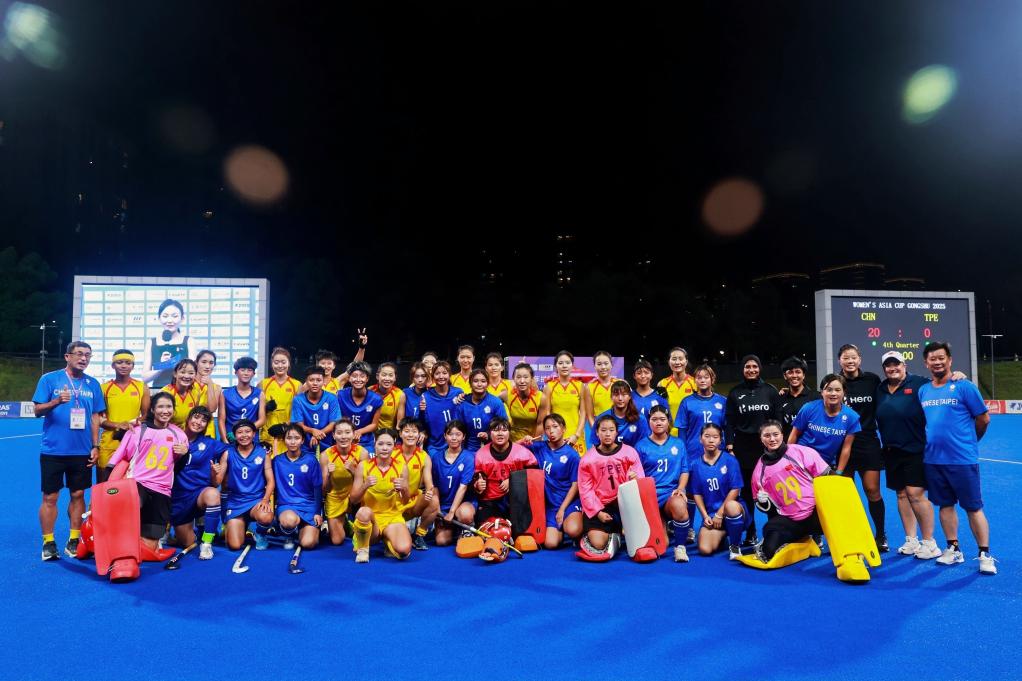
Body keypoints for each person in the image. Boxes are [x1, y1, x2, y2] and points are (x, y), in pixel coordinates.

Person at [917, 342, 996, 574]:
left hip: (962, 459)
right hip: (933, 460)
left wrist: (971, 442)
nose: (937, 362)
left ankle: (984, 554)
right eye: (933, 359)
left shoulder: (964, 386)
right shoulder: (923, 391)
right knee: (945, 505)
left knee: (973, 507)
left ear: (950, 360)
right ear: (926, 363)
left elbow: (983, 419)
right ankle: (953, 548)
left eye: (941, 358)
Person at [34, 341, 107, 561]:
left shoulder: (93, 384)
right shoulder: (49, 379)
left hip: (82, 451)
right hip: (53, 450)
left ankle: (74, 539)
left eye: (88, 355)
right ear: (67, 356)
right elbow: (37, 410)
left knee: (78, 495)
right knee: (50, 497)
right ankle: (48, 542)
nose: (84, 358)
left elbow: (95, 417)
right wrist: (56, 401)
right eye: (79, 354)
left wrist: (95, 446)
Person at [875, 350, 941, 559]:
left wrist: (957, 377)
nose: (892, 368)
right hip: (891, 451)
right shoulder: (880, 389)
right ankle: (911, 540)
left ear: (904, 365)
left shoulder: (920, 383)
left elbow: (941, 385)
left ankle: (930, 543)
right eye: (888, 365)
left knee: (915, 494)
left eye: (896, 364)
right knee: (901, 494)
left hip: (915, 449)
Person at [105, 391, 189, 555]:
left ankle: (141, 544)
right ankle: (118, 546)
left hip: (162, 490)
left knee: (148, 548)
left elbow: (178, 467)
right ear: (152, 410)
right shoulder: (137, 431)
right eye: (161, 407)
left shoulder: (179, 435)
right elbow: (116, 460)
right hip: (137, 484)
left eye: (169, 407)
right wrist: (106, 490)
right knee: (131, 508)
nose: (165, 411)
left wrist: (185, 454)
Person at [750, 420, 830, 562]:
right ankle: (803, 542)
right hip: (790, 520)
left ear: (782, 435)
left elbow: (828, 477)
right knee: (768, 548)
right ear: (761, 439)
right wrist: (763, 502)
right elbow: (762, 506)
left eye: (775, 434)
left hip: (816, 514)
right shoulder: (759, 471)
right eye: (767, 436)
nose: (772, 439)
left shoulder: (801, 452)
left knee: (842, 521)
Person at [837, 343, 888, 552]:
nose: (850, 361)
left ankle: (880, 535)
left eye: (853, 357)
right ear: (839, 360)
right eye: (846, 357)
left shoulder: (872, 380)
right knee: (846, 494)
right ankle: (849, 536)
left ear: (860, 359)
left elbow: (895, 385)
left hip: (868, 442)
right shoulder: (835, 382)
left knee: (872, 490)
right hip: (842, 445)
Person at [724, 354, 776, 544]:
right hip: (743, 449)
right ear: (742, 369)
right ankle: (751, 531)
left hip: (766, 449)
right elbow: (729, 422)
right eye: (747, 367)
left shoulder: (770, 391)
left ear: (760, 368)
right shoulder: (735, 392)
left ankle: (773, 531)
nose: (751, 370)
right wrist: (730, 445)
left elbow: (777, 420)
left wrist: (776, 446)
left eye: (755, 366)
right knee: (746, 493)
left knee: (770, 491)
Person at [577, 416, 645, 558]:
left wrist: (635, 479)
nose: (607, 434)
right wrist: (598, 513)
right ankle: (614, 536)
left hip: (625, 504)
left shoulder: (629, 452)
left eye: (611, 430)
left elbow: (641, 479)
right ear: (597, 432)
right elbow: (585, 491)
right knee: (598, 543)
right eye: (603, 430)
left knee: (641, 543)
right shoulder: (588, 459)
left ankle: (618, 531)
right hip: (601, 506)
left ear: (616, 432)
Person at [170, 406, 227, 559]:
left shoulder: (209, 443)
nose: (199, 422)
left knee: (213, 494)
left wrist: (219, 472)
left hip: (199, 494)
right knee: (188, 542)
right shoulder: (173, 438)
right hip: (179, 497)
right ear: (188, 418)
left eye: (204, 420)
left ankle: (207, 543)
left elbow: (229, 451)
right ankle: (184, 532)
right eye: (196, 417)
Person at [635, 406, 691, 561]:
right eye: (654, 419)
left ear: (668, 422)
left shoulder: (678, 444)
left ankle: (680, 547)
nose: (658, 423)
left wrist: (681, 488)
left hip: (669, 495)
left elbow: (684, 470)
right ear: (648, 422)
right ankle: (661, 525)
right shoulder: (641, 446)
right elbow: (637, 474)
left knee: (679, 505)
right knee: (661, 546)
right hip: (649, 498)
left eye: (662, 419)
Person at [350, 428, 413, 563]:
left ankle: (387, 540)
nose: (384, 448)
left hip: (392, 517)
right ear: (375, 444)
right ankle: (363, 549)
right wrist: (365, 485)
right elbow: (354, 500)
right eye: (381, 444)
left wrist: (404, 489)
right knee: (363, 512)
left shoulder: (402, 467)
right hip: (371, 519)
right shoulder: (363, 466)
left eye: (389, 444)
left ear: (394, 445)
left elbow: (405, 500)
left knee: (404, 551)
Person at [522, 414, 583, 550]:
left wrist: (562, 509)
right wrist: (524, 440)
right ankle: (560, 531)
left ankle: (578, 529)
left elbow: (576, 485)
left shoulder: (572, 455)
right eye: (548, 428)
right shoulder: (539, 448)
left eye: (555, 427)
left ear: (563, 429)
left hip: (568, 502)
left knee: (573, 530)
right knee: (551, 544)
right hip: (550, 504)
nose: (551, 431)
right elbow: (512, 448)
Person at [689, 423, 748, 559]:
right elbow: (697, 494)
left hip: (732, 511)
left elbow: (735, 489)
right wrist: (705, 516)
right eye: (707, 436)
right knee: (705, 549)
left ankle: (735, 546)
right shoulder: (695, 464)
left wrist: (720, 514)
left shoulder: (730, 460)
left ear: (721, 440)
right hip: (712, 515)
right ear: (700, 439)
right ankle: (724, 533)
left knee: (731, 506)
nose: (711, 440)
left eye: (715, 437)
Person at [788, 374, 861, 473]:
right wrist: (788, 460)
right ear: (822, 392)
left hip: (825, 465)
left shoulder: (852, 417)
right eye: (829, 390)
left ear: (844, 392)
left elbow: (846, 448)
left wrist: (839, 472)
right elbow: (794, 435)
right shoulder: (808, 408)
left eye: (838, 390)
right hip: (801, 461)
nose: (833, 393)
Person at [220, 419, 275, 551]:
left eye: (248, 431)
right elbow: (217, 482)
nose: (244, 435)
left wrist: (265, 499)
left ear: (254, 434)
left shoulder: (263, 453)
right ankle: (242, 525)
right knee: (234, 545)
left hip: (256, 500)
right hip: (235, 502)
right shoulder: (228, 453)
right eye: (240, 432)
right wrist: (213, 472)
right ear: (234, 435)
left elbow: (271, 481)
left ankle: (260, 533)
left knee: (266, 516)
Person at [98, 349, 150, 484]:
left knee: (129, 483)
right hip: (109, 441)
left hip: (133, 440)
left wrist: (131, 424)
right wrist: (118, 425)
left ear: (133, 366)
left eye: (128, 363)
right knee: (103, 482)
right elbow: (99, 419)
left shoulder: (141, 387)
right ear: (113, 365)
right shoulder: (103, 388)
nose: (123, 366)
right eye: (119, 362)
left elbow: (146, 416)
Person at [473, 418, 538, 523]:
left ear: (509, 432)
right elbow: (475, 480)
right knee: (486, 527)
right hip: (490, 501)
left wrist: (513, 480)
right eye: (495, 430)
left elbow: (534, 475)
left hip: (516, 500)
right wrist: (477, 486)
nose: (500, 434)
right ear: (489, 433)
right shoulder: (481, 455)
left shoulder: (522, 453)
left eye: (504, 430)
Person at [273, 424, 324, 551]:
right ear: (284, 440)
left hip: (308, 506)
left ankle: (304, 530)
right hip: (287, 506)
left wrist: (317, 512)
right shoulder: (277, 461)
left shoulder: (311, 460)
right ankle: (289, 534)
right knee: (289, 521)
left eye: (296, 438)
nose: (292, 442)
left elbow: (317, 488)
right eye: (289, 438)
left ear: (302, 440)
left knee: (308, 544)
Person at [320, 418, 368, 546]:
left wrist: (354, 471)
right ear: (334, 435)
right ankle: (346, 523)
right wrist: (329, 475)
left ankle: (352, 518)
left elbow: (366, 484)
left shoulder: (362, 453)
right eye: (339, 433)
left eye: (347, 432)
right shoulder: (325, 455)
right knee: (337, 540)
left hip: (355, 497)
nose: (343, 437)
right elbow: (324, 490)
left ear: (353, 434)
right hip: (335, 497)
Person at [394, 418, 440, 550]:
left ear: (419, 434)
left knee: (434, 501)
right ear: (400, 434)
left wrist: (430, 491)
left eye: (414, 431)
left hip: (412, 502)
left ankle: (419, 535)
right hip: (393, 504)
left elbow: (429, 482)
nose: (410, 435)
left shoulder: (424, 456)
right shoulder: (392, 453)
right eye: (407, 431)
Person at [432, 420, 478, 547]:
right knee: (441, 541)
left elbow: (463, 487)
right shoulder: (436, 458)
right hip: (444, 505)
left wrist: (452, 512)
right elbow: (435, 486)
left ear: (463, 437)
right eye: (450, 434)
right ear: (445, 436)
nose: (454, 438)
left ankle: (466, 527)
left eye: (458, 434)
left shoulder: (469, 457)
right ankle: (455, 529)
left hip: (462, 504)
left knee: (465, 514)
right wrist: (438, 510)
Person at [675, 364, 727, 461]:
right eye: (699, 378)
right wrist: (682, 452)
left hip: (718, 451)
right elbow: (682, 431)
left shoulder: (722, 401)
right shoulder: (687, 402)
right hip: (694, 452)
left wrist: (727, 447)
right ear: (694, 380)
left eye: (706, 377)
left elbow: (727, 427)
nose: (702, 380)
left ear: (712, 379)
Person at [142, 298, 197, 387]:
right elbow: (145, 378)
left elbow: (194, 373)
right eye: (165, 316)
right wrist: (162, 366)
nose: (170, 320)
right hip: (159, 391)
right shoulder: (151, 342)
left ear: (182, 318)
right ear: (159, 318)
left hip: (183, 391)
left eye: (174, 316)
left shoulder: (189, 341)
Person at [258, 347, 303, 454]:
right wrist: (265, 408)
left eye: (283, 362)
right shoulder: (263, 384)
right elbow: (255, 410)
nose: (280, 365)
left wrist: (285, 426)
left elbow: (300, 413)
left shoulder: (297, 385)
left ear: (289, 363)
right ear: (272, 364)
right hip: (267, 434)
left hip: (288, 436)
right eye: (276, 362)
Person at [543, 351, 588, 455]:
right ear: (556, 366)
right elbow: (547, 414)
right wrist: (552, 433)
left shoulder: (580, 386)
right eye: (560, 363)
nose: (564, 366)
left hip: (575, 437)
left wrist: (576, 435)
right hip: (556, 437)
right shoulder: (549, 387)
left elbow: (583, 413)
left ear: (572, 366)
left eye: (567, 363)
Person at [290, 366, 341, 454]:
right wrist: (312, 431)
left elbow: (334, 423)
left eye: (318, 380)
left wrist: (318, 434)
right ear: (306, 381)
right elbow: (298, 424)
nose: (315, 383)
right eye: (311, 380)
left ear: (323, 381)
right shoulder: (298, 400)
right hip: (304, 447)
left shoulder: (331, 398)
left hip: (328, 446)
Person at [456, 368, 509, 452]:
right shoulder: (462, 403)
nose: (479, 384)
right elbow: (458, 429)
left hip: (493, 448)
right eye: (475, 381)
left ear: (488, 384)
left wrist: (488, 434)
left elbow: (505, 426)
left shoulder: (496, 402)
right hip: (468, 450)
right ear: (470, 383)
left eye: (483, 381)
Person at [336, 361, 384, 453]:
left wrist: (359, 432)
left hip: (366, 441)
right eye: (354, 376)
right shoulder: (340, 395)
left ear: (367, 378)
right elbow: (336, 419)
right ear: (349, 378)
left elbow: (374, 425)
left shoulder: (376, 399)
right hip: (343, 438)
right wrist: (348, 433)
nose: (358, 379)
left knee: (367, 460)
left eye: (362, 376)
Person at [587, 380, 651, 448]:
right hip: (609, 454)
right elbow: (595, 445)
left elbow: (645, 444)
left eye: (624, 395)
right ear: (611, 397)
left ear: (629, 396)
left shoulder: (640, 418)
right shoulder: (602, 418)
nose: (620, 398)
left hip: (634, 454)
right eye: (616, 395)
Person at [420, 361, 464, 456]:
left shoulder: (458, 393)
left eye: (444, 373)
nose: (441, 376)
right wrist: (421, 411)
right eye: (437, 373)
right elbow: (422, 422)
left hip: (456, 444)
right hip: (435, 446)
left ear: (449, 375)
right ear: (432, 376)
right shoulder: (426, 396)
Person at [772, 356, 819, 440]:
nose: (794, 375)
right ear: (785, 376)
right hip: (786, 446)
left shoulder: (816, 398)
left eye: (798, 372)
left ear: (803, 375)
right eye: (790, 372)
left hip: (809, 446)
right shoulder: (779, 399)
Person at [218, 356, 263, 442]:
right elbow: (221, 420)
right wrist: (225, 440)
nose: (246, 373)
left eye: (249, 370)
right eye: (242, 370)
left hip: (251, 440)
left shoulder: (259, 394)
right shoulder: (225, 394)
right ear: (236, 372)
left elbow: (262, 420)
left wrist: (244, 432)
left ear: (253, 373)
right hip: (230, 438)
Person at [656, 347, 697, 434]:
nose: (677, 362)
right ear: (669, 362)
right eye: (674, 359)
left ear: (686, 362)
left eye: (681, 359)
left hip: (691, 434)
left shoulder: (695, 383)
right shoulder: (662, 384)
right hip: (669, 435)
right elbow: (659, 410)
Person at [165, 359, 214, 429]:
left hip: (188, 433)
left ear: (195, 375)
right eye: (182, 372)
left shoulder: (196, 392)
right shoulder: (166, 393)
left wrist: (210, 384)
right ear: (175, 374)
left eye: (191, 373)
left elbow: (210, 409)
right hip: (169, 433)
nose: (186, 376)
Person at [507, 362, 548, 443]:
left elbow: (540, 424)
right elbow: (492, 401)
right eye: (518, 377)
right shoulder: (506, 395)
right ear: (513, 379)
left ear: (532, 379)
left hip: (531, 441)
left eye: (526, 377)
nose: (522, 381)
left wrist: (534, 443)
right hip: (513, 442)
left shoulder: (541, 398)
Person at [193, 350, 223, 438]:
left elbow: (212, 409)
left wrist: (209, 384)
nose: (207, 366)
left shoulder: (216, 387)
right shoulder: (188, 383)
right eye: (204, 362)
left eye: (211, 363)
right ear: (196, 363)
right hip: (189, 427)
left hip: (207, 429)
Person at [370, 362, 406, 431]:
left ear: (395, 378)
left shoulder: (400, 395)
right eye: (384, 375)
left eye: (390, 375)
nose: (387, 378)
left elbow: (399, 424)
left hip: (390, 434)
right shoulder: (369, 391)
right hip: (370, 434)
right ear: (377, 376)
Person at [586, 350, 617, 424]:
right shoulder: (589, 387)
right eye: (599, 364)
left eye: (606, 363)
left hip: (620, 427)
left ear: (611, 365)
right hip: (600, 428)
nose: (603, 367)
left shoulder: (621, 383)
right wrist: (596, 429)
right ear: (594, 366)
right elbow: (590, 416)